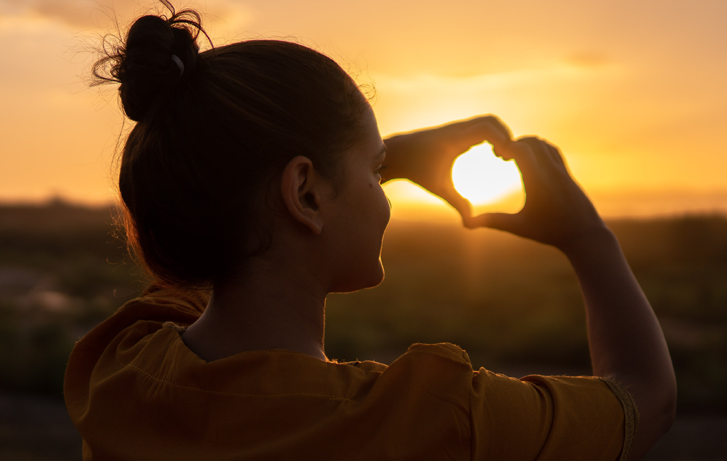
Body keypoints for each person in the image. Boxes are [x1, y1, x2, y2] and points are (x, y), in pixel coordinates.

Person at [64, 3, 676, 460]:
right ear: (304, 192)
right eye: (376, 170)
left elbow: (228, 228)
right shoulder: (433, 420)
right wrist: (588, 237)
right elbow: (644, 397)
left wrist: (363, 162)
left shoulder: (121, 368)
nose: (384, 197)